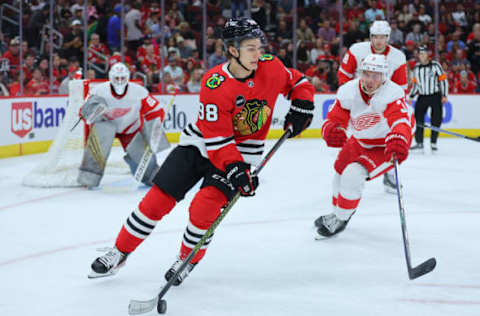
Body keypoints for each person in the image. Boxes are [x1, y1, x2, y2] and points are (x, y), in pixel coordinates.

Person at [88, 18, 315, 283]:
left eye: (259, 46)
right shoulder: (215, 83)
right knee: (156, 201)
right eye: (251, 48)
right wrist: (237, 170)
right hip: (200, 145)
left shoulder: (271, 66)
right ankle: (120, 251)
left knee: (203, 208)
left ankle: (186, 259)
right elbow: (217, 139)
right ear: (232, 50)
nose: (259, 53)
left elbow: (299, 82)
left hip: (242, 153)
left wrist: (303, 105)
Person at [314, 54, 413, 238]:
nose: (369, 80)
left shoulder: (392, 93)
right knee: (339, 173)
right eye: (366, 74)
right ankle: (337, 213)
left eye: (375, 76)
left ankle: (341, 218)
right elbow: (335, 117)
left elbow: (400, 122)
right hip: (360, 140)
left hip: (384, 144)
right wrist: (331, 129)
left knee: (353, 174)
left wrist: (399, 138)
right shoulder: (348, 91)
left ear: (384, 76)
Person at [334, 20, 409, 195]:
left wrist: (396, 106)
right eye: (375, 36)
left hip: (384, 104)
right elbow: (344, 75)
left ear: (388, 37)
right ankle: (350, 176)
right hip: (360, 100)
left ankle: (389, 174)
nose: (379, 41)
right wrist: (354, 97)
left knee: (390, 138)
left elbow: (401, 87)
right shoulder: (356, 50)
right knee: (359, 138)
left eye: (383, 37)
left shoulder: (398, 57)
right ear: (371, 36)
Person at [77, 62, 169, 188]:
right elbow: (83, 113)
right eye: (116, 78)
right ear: (110, 77)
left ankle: (150, 174)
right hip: (106, 126)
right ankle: (88, 177)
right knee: (101, 136)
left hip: (131, 129)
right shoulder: (98, 91)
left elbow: (157, 111)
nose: (119, 81)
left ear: (128, 77)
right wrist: (90, 113)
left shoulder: (139, 91)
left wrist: (153, 133)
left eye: (123, 78)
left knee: (147, 166)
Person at [408, 46, 448, 153]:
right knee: (418, 119)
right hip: (422, 96)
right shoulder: (416, 68)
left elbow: (443, 80)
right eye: (420, 54)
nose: (422, 56)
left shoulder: (435, 65)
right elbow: (415, 84)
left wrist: (444, 95)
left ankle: (433, 142)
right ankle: (419, 142)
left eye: (424, 53)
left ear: (428, 55)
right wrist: (411, 96)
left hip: (435, 95)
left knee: (436, 119)